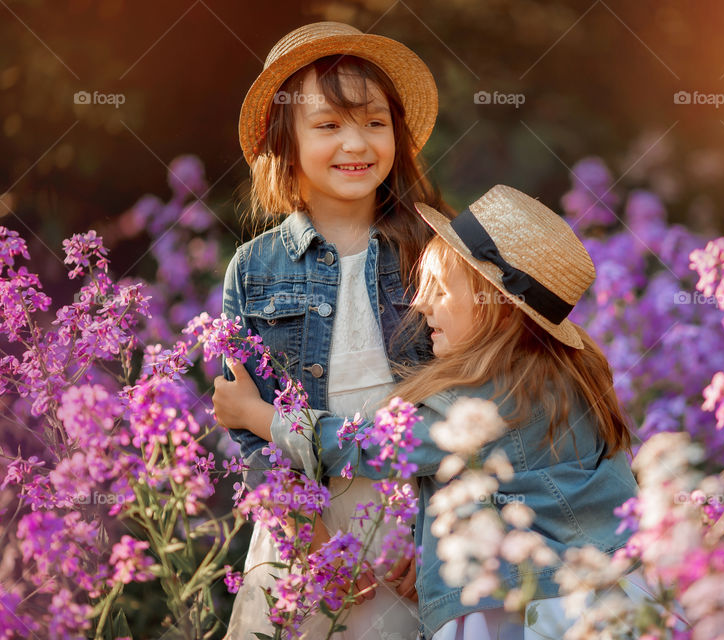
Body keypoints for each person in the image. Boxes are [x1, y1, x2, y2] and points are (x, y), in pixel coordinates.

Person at [214, 185, 646, 639]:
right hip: (600, 595)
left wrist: (257, 416)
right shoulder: (573, 377)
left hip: (511, 611)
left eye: (439, 290)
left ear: (497, 309)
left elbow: (370, 447)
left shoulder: (484, 401)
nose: (419, 304)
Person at [221, 21, 450, 639]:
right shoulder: (255, 267)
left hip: (412, 519)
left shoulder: (433, 249)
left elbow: (465, 393)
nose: (357, 141)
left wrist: (433, 524)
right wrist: (304, 530)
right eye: (328, 125)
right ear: (285, 142)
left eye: (375, 123)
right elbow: (248, 420)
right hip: (304, 524)